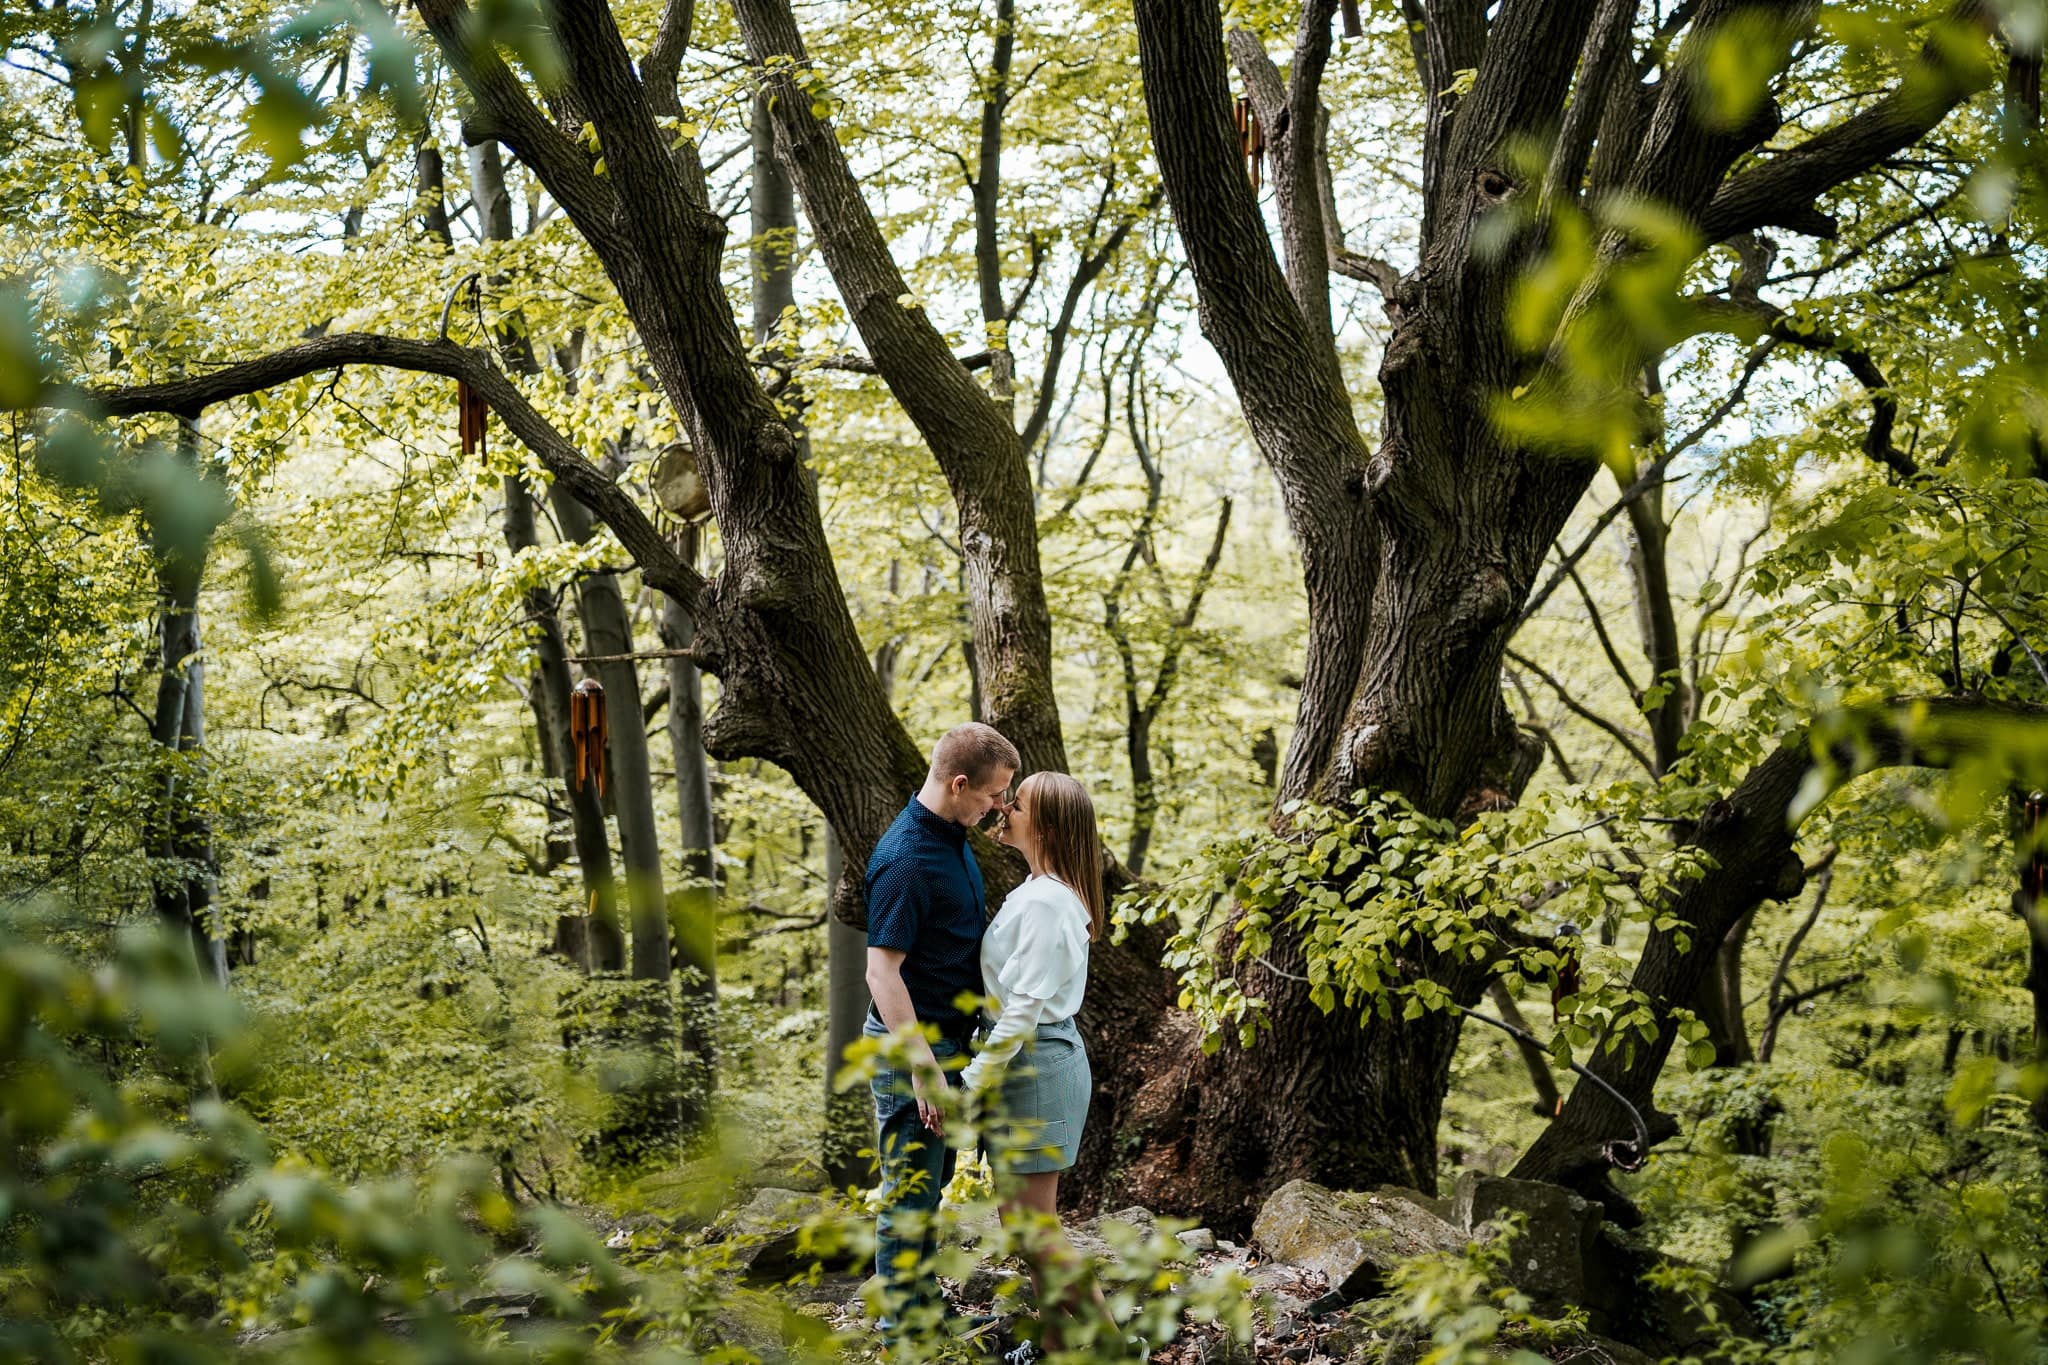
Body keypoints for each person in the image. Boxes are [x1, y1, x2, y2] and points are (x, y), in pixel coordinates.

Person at [862, 721, 1019, 1348]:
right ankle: (906, 1328)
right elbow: (881, 971)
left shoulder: (951, 834)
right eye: (992, 796)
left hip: (948, 1045)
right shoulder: (905, 860)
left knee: (929, 1188)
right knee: (910, 1191)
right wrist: (925, 1068)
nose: (999, 808)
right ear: (959, 785)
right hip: (912, 1051)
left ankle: (921, 1305)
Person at [962, 771, 1126, 1362]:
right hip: (1023, 1064)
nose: (1003, 806)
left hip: (1035, 1065)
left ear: (1047, 825)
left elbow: (1025, 1007)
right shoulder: (1035, 891)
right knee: (1024, 1227)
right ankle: (1056, 1344)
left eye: (1018, 803)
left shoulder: (1050, 901)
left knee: (1036, 1228)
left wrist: (971, 1080)